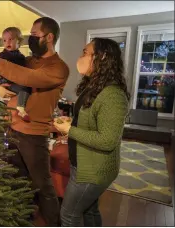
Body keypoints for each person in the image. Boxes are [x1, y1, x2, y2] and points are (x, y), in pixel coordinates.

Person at [0, 17, 69, 226]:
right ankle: (21, 219)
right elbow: (9, 79)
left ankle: (54, 223)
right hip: (11, 127)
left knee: (43, 186)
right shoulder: (29, 60)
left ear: (49, 37)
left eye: (34, 35)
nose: (31, 39)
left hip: (34, 134)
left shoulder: (58, 68)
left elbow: (25, 77)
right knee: (16, 180)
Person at [53, 38, 130, 226]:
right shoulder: (93, 87)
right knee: (89, 211)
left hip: (94, 170)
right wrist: (72, 122)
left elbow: (108, 140)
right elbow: (91, 121)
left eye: (85, 52)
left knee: (68, 215)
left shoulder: (112, 94)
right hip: (81, 163)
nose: (81, 57)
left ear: (101, 57)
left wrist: (70, 130)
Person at [0, 27, 31, 122]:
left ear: (19, 41)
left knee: (26, 88)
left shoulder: (21, 57)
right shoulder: (3, 55)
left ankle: (20, 107)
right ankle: (21, 107)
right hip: (7, 81)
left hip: (15, 82)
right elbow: (0, 69)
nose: (7, 42)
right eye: (4, 40)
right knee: (24, 87)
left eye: (10, 39)